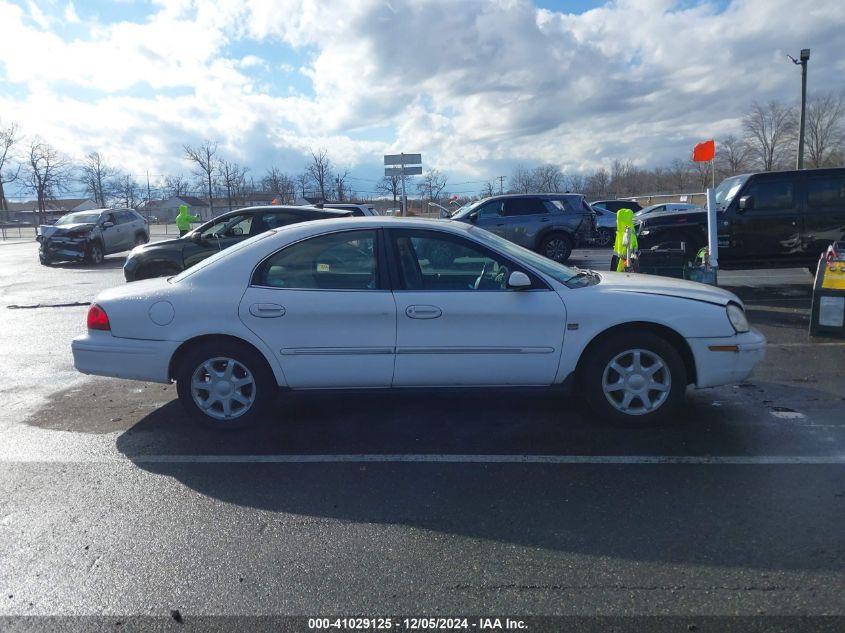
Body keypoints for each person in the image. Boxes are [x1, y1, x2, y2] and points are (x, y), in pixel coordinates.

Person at [612, 208, 638, 272]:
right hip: (624, 261)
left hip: (622, 263)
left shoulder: (623, 233)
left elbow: (627, 253)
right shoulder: (628, 233)